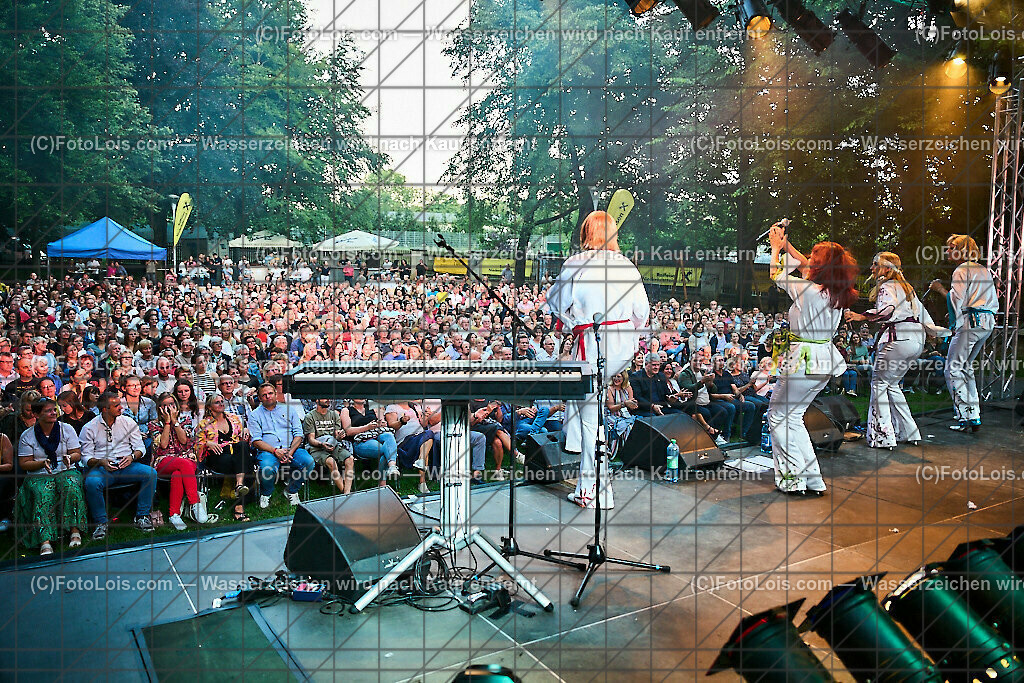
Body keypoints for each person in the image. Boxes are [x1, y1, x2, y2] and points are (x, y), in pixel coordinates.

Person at [547, 210, 650, 509]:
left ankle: (594, 491)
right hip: (619, 345)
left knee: (590, 419)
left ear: (585, 233)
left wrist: (570, 321)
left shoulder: (576, 263)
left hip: (592, 343)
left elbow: (556, 303)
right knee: (595, 417)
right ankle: (591, 486)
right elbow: (641, 312)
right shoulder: (627, 265)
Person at [766, 223, 857, 497]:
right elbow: (806, 264)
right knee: (793, 417)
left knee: (780, 416)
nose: (809, 257)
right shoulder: (835, 292)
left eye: (815, 255)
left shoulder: (808, 291)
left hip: (803, 360)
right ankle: (812, 479)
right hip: (824, 360)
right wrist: (786, 244)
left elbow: (775, 274)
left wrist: (775, 250)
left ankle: (793, 480)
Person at [846, 252, 949, 449]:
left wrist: (861, 317)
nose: (872, 268)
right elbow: (924, 316)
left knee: (878, 384)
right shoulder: (907, 288)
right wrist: (934, 332)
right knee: (891, 385)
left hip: (898, 340)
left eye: (875, 264)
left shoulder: (886, 287)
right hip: (915, 342)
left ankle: (883, 437)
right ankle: (908, 432)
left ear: (886, 268)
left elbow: (888, 310)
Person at [929, 234, 998, 432]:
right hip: (985, 322)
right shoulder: (983, 269)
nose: (948, 251)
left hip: (972, 322)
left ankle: (965, 416)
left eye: (951, 248)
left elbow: (956, 298)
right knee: (965, 367)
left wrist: (940, 289)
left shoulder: (961, 269)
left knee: (952, 368)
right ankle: (972, 414)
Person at [80, 392, 158, 538]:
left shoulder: (128, 422)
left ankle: (142, 516)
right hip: (102, 468)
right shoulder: (89, 428)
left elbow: (140, 448)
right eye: (116, 405)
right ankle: (101, 523)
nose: (121, 408)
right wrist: (101, 462)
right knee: (91, 482)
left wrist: (132, 457)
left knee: (150, 473)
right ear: (105, 409)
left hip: (126, 465)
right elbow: (85, 458)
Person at [16, 398, 87, 555]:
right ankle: (45, 540)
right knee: (42, 492)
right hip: (39, 474)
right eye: (48, 411)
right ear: (36, 414)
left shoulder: (66, 429)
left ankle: (74, 531)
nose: (53, 413)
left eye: (54, 409)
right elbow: (24, 463)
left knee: (71, 485)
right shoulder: (27, 436)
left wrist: (70, 457)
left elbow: (77, 453)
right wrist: (41, 464)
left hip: (65, 470)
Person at [247, 383, 314, 508]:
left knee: (309, 462)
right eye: (264, 395)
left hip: (292, 449)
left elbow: (299, 434)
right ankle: (266, 493)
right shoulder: (254, 415)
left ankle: (291, 490)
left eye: (270, 393)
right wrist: (275, 451)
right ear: (260, 398)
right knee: (267, 468)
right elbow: (256, 441)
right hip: (268, 451)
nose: (268, 397)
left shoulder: (289, 409)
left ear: (276, 394)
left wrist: (290, 451)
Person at [195, 394, 251, 522]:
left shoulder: (234, 419)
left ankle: (239, 492)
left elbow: (243, 438)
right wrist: (207, 443)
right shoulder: (204, 424)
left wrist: (245, 432)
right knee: (245, 462)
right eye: (217, 402)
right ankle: (239, 495)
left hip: (236, 456)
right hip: (217, 458)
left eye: (222, 401)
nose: (221, 404)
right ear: (209, 407)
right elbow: (196, 445)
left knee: (241, 446)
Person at [342, 398, 399, 487]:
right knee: (386, 450)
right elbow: (348, 431)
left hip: (376, 434)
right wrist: (367, 427)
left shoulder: (372, 410)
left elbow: (383, 423)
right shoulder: (347, 410)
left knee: (389, 435)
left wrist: (382, 423)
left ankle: (392, 467)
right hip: (360, 441)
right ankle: (382, 483)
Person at [303, 398, 354, 495]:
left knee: (350, 459)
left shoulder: (334, 415)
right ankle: (347, 495)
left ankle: (346, 494)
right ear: (317, 400)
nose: (328, 400)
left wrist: (339, 436)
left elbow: (336, 435)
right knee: (331, 462)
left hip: (333, 445)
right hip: (317, 448)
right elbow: (311, 439)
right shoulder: (310, 416)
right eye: (324, 398)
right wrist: (322, 444)